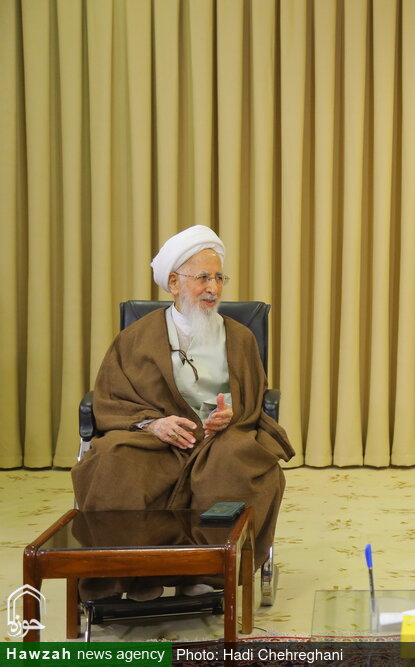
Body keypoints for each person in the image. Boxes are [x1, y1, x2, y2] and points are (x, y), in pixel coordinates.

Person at [72, 225, 294, 602]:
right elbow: (113, 398)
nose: (213, 288)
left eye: (219, 278)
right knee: (113, 463)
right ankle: (133, 574)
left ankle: (208, 571)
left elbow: (253, 400)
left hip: (219, 438)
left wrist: (230, 415)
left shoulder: (239, 338)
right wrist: (153, 423)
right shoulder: (135, 338)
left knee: (234, 468)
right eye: (203, 278)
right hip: (155, 438)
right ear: (174, 283)